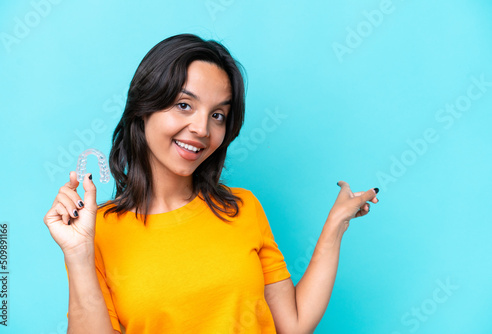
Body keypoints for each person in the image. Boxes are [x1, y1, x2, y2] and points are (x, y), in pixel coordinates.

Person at [43, 33, 379, 334]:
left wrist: (335, 224)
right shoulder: (98, 231)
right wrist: (77, 255)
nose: (202, 129)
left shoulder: (242, 208)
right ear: (143, 109)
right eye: (184, 105)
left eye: (217, 115)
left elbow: (292, 324)